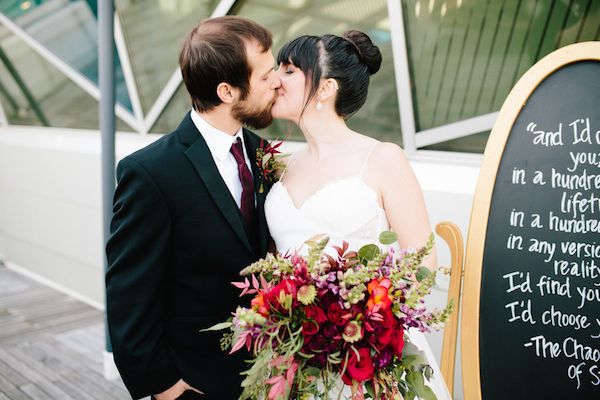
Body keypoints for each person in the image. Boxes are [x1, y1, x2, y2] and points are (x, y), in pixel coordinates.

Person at [264, 31, 452, 399]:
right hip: (292, 354)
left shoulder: (382, 158)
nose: (274, 79)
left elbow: (423, 258)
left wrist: (370, 325)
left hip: (367, 356)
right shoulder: (280, 165)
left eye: (288, 70)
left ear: (325, 88)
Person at [105, 16, 280, 400]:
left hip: (268, 377)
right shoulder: (150, 173)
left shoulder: (263, 155)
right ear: (227, 91)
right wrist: (166, 388)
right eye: (266, 76)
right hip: (194, 383)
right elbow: (128, 297)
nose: (278, 82)